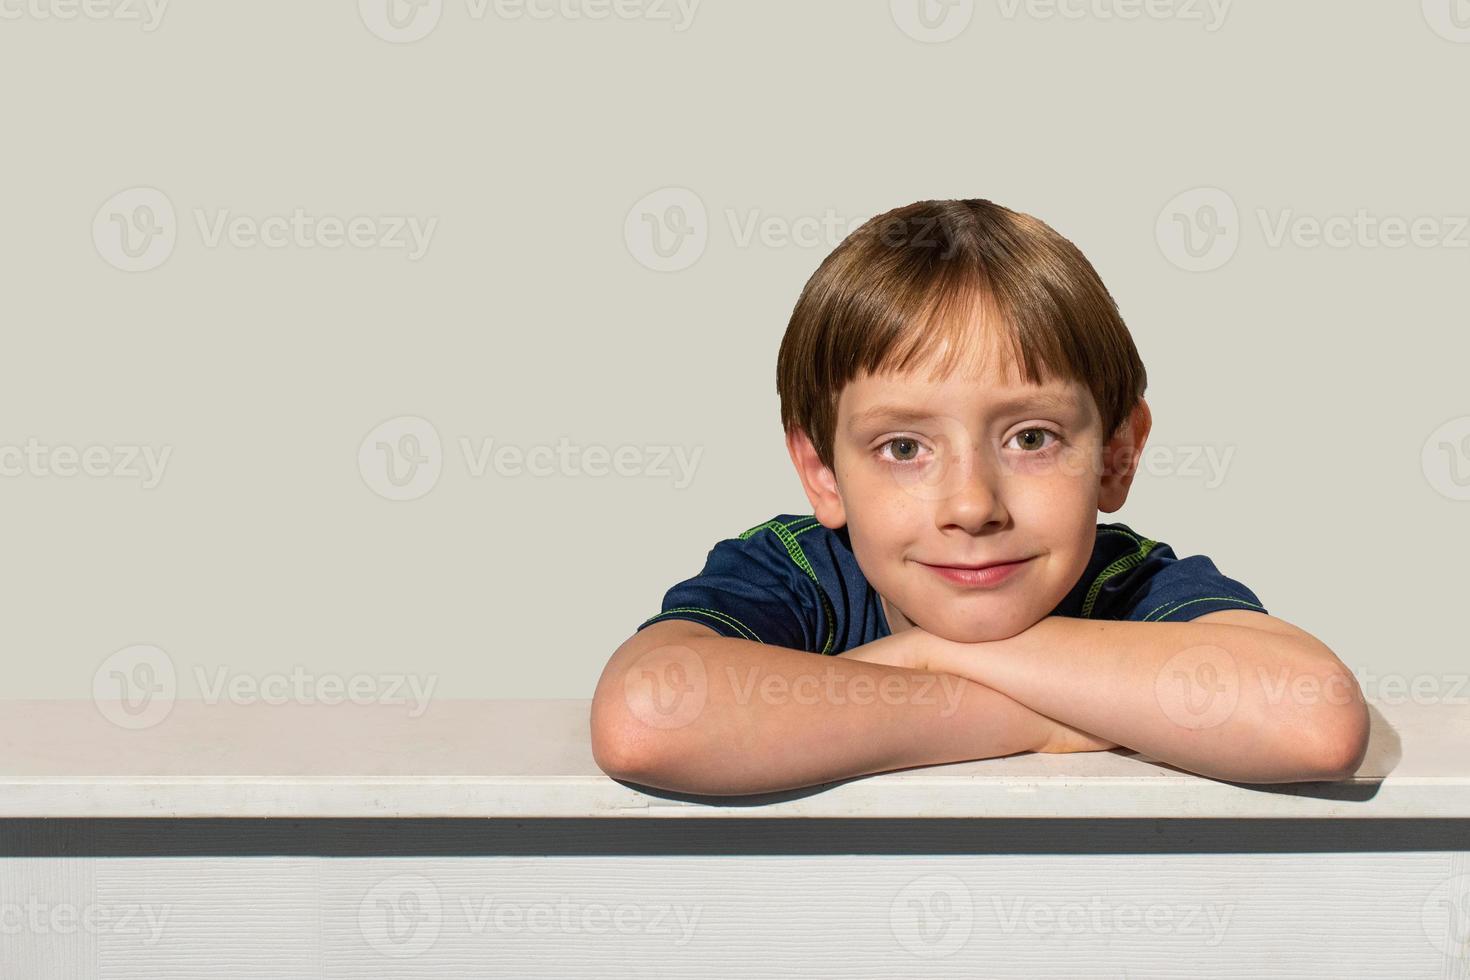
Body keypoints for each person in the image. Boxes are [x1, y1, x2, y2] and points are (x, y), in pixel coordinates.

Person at [591, 198, 1368, 795]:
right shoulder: (799, 570)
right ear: (822, 473)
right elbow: (649, 717)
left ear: (1117, 455)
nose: (971, 506)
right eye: (903, 448)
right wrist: (1029, 716)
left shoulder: (1126, 583)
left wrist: (927, 656)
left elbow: (1313, 719)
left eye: (1030, 438)